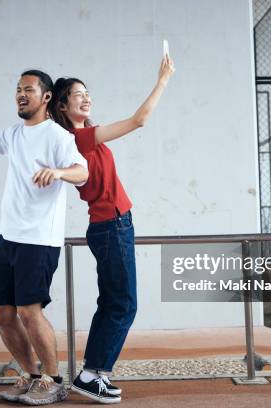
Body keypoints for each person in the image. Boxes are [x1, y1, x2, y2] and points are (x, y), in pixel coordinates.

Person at [49, 54, 175, 403]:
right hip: (111, 226)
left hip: (111, 226)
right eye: (78, 94)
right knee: (125, 304)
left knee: (111, 303)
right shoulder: (80, 139)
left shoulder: (83, 138)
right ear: (62, 105)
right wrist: (163, 79)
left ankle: (94, 373)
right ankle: (91, 374)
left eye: (88, 92)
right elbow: (140, 120)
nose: (87, 98)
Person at [0, 69, 88, 406]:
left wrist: (59, 172)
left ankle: (54, 380)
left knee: (29, 312)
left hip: (39, 238)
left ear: (46, 97)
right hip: (8, 237)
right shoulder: (15, 134)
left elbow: (83, 171)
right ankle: (31, 375)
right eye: (18, 89)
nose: (21, 94)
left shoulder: (58, 137)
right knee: (3, 313)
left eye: (29, 89)